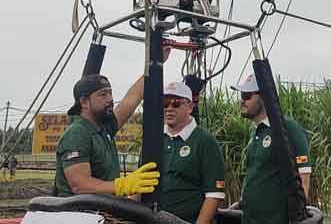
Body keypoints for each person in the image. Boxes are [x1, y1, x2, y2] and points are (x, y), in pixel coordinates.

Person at [53, 48, 169, 198]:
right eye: (103, 94)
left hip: (102, 208)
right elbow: (80, 185)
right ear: (85, 102)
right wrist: (122, 185)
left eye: (110, 93)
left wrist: (155, 63)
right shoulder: (77, 133)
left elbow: (132, 98)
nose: (110, 99)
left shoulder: (104, 128)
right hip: (78, 210)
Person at [232, 73, 312, 224]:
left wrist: (297, 218)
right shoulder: (255, 131)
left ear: (263, 97)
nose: (242, 101)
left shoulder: (288, 128)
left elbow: (304, 179)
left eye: (247, 96)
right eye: (241, 96)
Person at [160, 81, 225, 224]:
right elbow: (139, 186)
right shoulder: (154, 140)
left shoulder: (205, 141)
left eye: (176, 104)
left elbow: (214, 195)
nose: (169, 108)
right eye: (165, 103)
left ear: (190, 107)